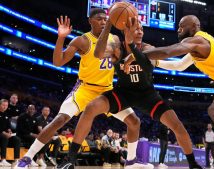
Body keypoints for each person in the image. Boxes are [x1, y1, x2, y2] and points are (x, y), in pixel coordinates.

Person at [62, 18, 203, 169]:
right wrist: (108, 25)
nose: (140, 31)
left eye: (142, 29)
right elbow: (98, 54)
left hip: (147, 95)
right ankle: (70, 158)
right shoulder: (117, 48)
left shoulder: (147, 48)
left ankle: (193, 164)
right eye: (136, 29)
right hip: (123, 92)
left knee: (177, 125)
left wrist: (132, 48)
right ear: (126, 31)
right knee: (91, 108)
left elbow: (147, 68)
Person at [15, 9, 142, 169]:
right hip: (85, 88)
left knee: (134, 121)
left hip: (107, 90)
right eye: (99, 19)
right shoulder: (82, 41)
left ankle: (131, 162)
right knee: (59, 120)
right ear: (90, 21)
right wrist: (61, 38)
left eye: (105, 19)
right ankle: (26, 158)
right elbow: (58, 62)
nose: (103, 22)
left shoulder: (114, 38)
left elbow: (117, 60)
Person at [132, 15, 214, 169]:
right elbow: (179, 66)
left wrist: (135, 52)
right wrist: (156, 62)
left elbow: (168, 52)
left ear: (194, 27)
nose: (178, 29)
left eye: (182, 26)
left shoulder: (198, 39)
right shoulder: (196, 46)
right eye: (178, 26)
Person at [0, 99, 21, 167]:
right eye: (3, 105)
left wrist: (9, 130)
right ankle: (3, 159)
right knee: (5, 137)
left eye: (6, 105)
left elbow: (8, 126)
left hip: (5, 133)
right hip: (1, 133)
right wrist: (4, 133)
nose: (5, 107)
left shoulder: (6, 114)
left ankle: (16, 159)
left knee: (17, 139)